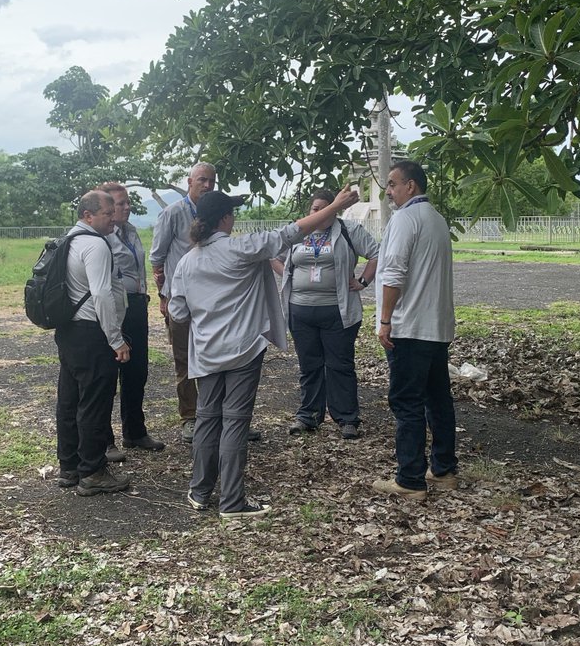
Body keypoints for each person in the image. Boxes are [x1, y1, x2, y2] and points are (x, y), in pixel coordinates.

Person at [168, 186, 360, 518]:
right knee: (235, 422)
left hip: (207, 352)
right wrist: (337, 206)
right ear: (225, 219)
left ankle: (199, 491)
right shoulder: (241, 248)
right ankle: (231, 501)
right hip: (242, 349)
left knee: (207, 418)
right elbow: (292, 232)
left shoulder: (186, 262)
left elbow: (179, 313)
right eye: (233, 214)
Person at [150, 163, 260, 444]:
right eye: (202, 180)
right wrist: (164, 296)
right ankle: (191, 418)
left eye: (211, 180)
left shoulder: (214, 213)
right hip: (184, 302)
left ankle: (229, 420)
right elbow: (157, 260)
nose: (208, 185)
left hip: (214, 302)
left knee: (222, 362)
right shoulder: (173, 213)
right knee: (185, 360)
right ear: (189, 181)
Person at [372, 161, 458, 501]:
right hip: (435, 325)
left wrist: (385, 319)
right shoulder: (437, 220)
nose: (389, 192)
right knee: (438, 399)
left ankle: (409, 479)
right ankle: (443, 469)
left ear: (412, 186)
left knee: (406, 401)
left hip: (408, 326)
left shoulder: (404, 219)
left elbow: (393, 272)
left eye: (393, 184)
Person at [280, 189, 381, 440]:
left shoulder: (348, 230)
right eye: (315, 209)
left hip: (338, 311)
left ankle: (347, 418)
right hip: (300, 310)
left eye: (326, 208)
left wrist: (363, 281)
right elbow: (274, 254)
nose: (320, 213)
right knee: (309, 365)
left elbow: (377, 254)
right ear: (310, 211)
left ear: (335, 209)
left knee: (340, 365)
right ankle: (308, 415)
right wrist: (287, 273)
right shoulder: (298, 232)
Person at [54, 190, 133, 496]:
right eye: (107, 213)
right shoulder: (95, 245)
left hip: (69, 331)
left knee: (69, 400)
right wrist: (116, 340)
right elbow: (101, 295)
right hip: (92, 333)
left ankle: (69, 467)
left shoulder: (67, 240)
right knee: (95, 403)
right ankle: (93, 471)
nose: (113, 217)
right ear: (88, 216)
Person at [99, 182, 165, 455]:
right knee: (107, 375)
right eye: (119, 203)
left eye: (127, 202)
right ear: (105, 207)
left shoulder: (131, 231)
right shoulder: (101, 236)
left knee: (137, 371)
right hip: (114, 310)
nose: (126, 207)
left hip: (137, 305)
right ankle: (104, 440)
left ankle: (135, 432)